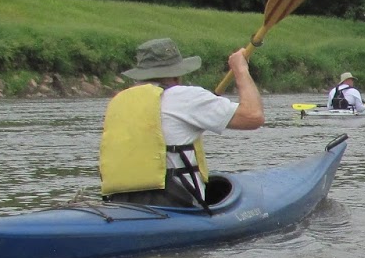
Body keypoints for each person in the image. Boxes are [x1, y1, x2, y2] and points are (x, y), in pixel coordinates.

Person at [99, 37, 265, 207]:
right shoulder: (185, 97)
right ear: (177, 75)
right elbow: (253, 116)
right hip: (174, 206)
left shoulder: (120, 101)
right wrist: (241, 70)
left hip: (119, 204)